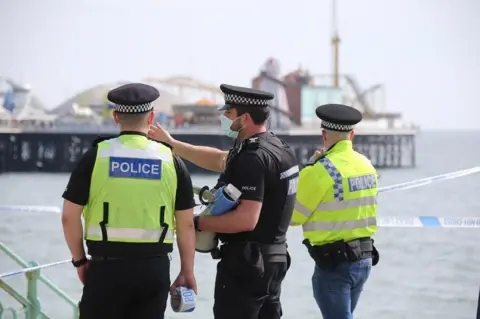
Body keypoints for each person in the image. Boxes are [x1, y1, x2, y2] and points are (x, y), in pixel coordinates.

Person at [148, 84, 299, 319]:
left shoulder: (252, 158)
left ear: (245, 117)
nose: (224, 117)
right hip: (274, 260)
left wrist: (198, 223)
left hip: (247, 264)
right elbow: (220, 160)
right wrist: (172, 145)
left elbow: (246, 219)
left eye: (228, 113)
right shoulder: (277, 148)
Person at [61, 83, 197, 319]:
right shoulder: (171, 161)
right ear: (151, 117)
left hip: (105, 269)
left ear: (116, 116)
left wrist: (80, 261)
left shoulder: (96, 156)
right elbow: (185, 224)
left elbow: (68, 217)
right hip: (153, 270)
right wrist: (187, 271)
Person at [290, 104, 379, 319]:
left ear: (324, 135)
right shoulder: (367, 165)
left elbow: (293, 216)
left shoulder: (321, 170)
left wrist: (308, 169)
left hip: (335, 265)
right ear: (352, 134)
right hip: (364, 259)